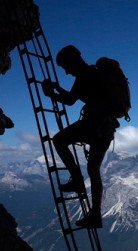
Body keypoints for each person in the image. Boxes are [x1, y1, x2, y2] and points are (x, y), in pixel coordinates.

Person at [41, 45, 119, 228]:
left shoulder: (84, 75)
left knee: (59, 140)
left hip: (92, 125)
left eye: (66, 67)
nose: (66, 72)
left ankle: (76, 180)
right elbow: (75, 96)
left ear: (72, 61)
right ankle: (95, 214)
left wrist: (50, 93)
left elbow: (69, 100)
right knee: (93, 171)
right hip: (106, 130)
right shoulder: (94, 74)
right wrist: (58, 88)